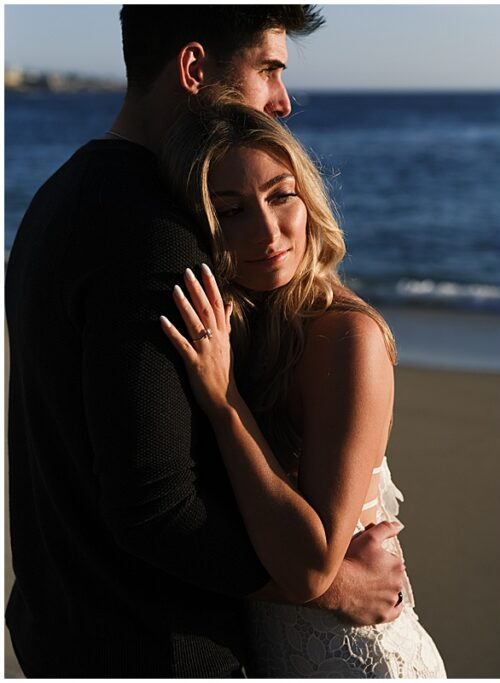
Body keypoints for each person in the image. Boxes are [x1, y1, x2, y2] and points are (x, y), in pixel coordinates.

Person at [5, 7, 405, 677]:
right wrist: (334, 584)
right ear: (193, 70)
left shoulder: (60, 197)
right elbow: (156, 506)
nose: (283, 99)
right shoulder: (154, 233)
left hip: (64, 626)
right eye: (268, 69)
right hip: (152, 644)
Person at [157, 94, 447, 677]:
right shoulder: (241, 331)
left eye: (280, 195)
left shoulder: (346, 338)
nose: (267, 230)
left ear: (308, 198)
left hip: (358, 659)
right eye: (231, 210)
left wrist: (224, 403)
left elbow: (313, 569)